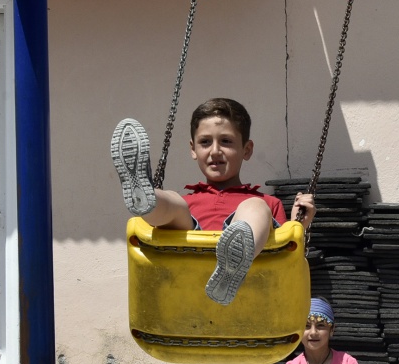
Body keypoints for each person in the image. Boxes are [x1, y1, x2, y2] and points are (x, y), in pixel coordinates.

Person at [110, 97, 316, 305]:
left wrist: (297, 227)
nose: (215, 151)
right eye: (205, 142)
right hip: (185, 277)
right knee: (176, 204)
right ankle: (147, 198)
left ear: (247, 149)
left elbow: (284, 262)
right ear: (193, 149)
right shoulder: (188, 202)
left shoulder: (269, 202)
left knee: (254, 206)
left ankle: (233, 264)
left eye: (226, 141)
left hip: (247, 292)